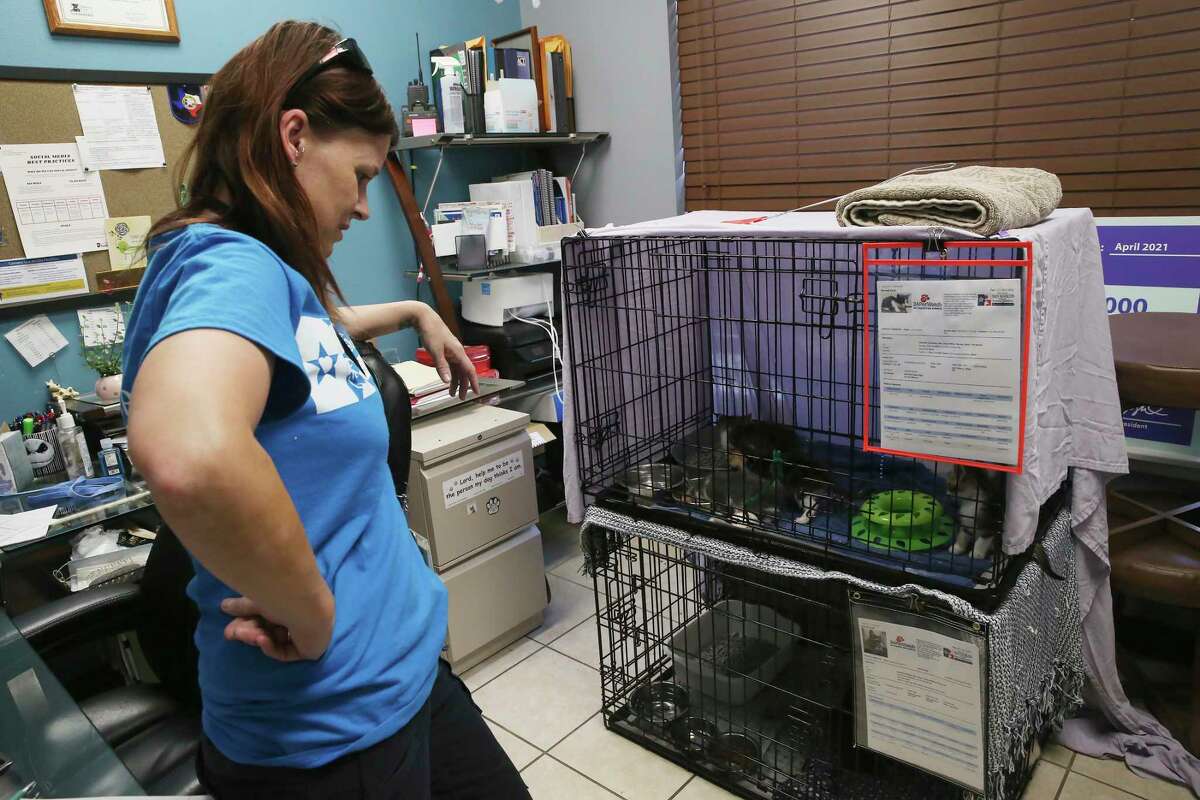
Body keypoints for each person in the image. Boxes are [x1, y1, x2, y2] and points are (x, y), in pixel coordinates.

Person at [122, 21, 530, 799]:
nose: (366, 206)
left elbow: (322, 328)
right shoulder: (226, 264)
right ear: (295, 135)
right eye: (364, 175)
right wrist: (306, 609)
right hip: (330, 734)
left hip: (402, 677)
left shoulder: (272, 273)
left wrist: (416, 309)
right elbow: (187, 450)